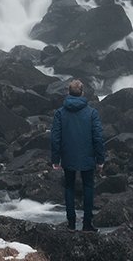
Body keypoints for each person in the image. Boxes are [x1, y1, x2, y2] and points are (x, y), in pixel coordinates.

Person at [49, 78, 105, 232]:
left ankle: (71, 223)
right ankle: (87, 223)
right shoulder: (92, 113)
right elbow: (98, 138)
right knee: (88, 187)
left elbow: (55, 137)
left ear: (68, 92)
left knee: (69, 187)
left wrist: (55, 158)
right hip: (87, 156)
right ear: (82, 93)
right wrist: (100, 160)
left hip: (68, 156)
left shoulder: (60, 113)